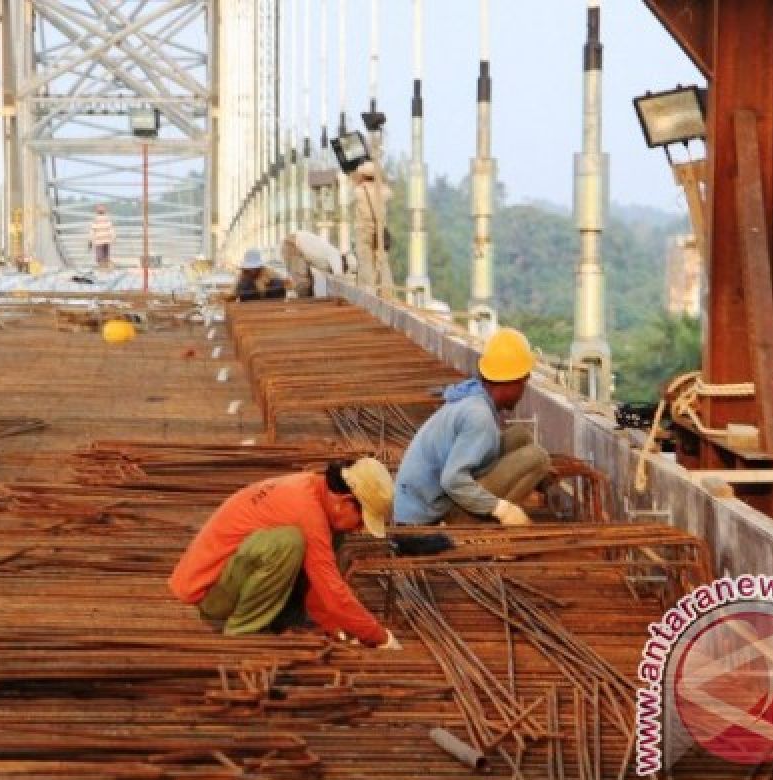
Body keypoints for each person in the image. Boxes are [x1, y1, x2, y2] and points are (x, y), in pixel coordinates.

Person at [169, 457, 402, 649]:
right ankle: (244, 633)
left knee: (325, 537)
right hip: (211, 595)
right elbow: (331, 589)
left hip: (232, 581)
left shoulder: (314, 491)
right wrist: (380, 637)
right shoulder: (307, 511)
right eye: (362, 519)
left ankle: (282, 620)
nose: (361, 528)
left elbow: (319, 586)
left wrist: (338, 628)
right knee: (290, 543)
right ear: (346, 501)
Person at [393, 327, 551, 527]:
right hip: (429, 514)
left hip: (419, 500)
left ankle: (479, 509)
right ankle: (468, 522)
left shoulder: (475, 397)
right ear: (510, 384)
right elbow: (452, 480)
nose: (522, 392)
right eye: (523, 384)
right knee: (538, 458)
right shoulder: (479, 416)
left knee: (520, 436)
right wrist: (502, 509)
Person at [351, 161, 394, 298]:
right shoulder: (384, 191)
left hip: (363, 231)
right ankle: (387, 292)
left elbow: (349, 195)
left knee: (365, 263)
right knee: (382, 261)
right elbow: (389, 192)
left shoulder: (358, 191)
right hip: (380, 231)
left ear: (362, 175)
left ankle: (368, 293)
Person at [281, 230, 347, 297]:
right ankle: (304, 304)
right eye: (344, 269)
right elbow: (338, 276)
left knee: (308, 282)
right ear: (343, 264)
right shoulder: (336, 256)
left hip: (299, 248)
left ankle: (307, 301)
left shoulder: (331, 257)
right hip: (293, 244)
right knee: (303, 283)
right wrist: (340, 296)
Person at [88, 205, 116, 269]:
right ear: (105, 212)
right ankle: (106, 268)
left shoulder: (95, 220)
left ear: (97, 212)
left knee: (99, 256)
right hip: (107, 240)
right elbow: (111, 230)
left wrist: (90, 241)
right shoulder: (108, 220)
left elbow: (92, 231)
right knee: (106, 255)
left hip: (98, 241)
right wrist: (113, 238)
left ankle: (101, 268)